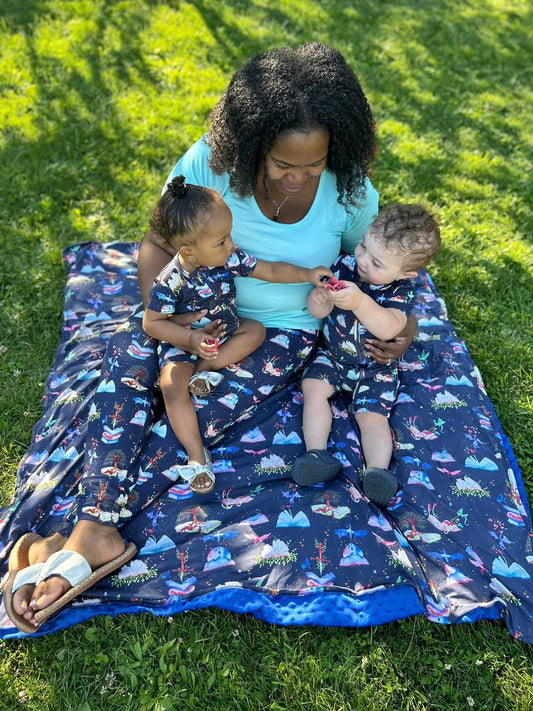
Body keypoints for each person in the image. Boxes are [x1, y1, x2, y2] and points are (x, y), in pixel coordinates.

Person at [6, 41, 416, 633]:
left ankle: (81, 538)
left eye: (314, 164)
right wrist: (173, 324)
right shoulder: (208, 165)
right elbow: (156, 245)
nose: (299, 177)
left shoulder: (350, 189)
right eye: (282, 164)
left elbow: (384, 267)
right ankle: (91, 524)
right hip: (189, 313)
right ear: (251, 145)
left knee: (195, 413)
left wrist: (409, 328)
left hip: (279, 330)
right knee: (123, 373)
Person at [142, 175, 333, 494]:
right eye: (221, 241)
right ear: (189, 252)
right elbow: (152, 323)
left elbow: (270, 270)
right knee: (171, 385)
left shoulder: (229, 258)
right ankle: (196, 456)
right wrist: (190, 340)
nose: (231, 244)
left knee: (255, 330)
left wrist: (307, 274)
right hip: (185, 339)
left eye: (229, 236)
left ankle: (205, 371)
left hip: (226, 330)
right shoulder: (169, 281)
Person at [291, 204, 441, 506]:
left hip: (375, 366)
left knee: (373, 418)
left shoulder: (402, 289)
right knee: (313, 390)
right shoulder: (345, 265)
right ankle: (316, 454)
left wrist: (359, 300)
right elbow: (317, 312)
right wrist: (318, 299)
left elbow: (390, 327)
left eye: (377, 262)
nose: (362, 260)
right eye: (362, 246)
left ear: (406, 272)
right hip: (333, 356)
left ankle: (377, 472)